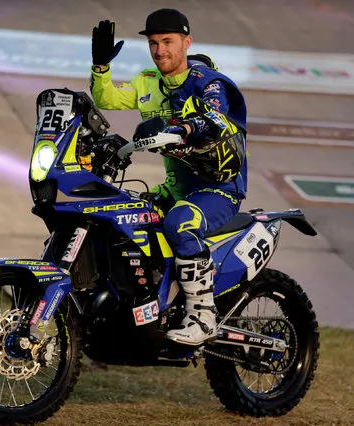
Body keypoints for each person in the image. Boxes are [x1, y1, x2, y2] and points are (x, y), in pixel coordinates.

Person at [89, 8, 248, 345]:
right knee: (121, 217)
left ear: (186, 43)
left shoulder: (207, 81)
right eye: (153, 43)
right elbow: (107, 98)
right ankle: (146, 308)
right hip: (176, 187)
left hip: (218, 188)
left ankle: (203, 316)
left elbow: (216, 117)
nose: (160, 50)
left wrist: (186, 127)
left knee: (180, 224)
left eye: (168, 42)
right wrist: (101, 67)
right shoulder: (148, 82)